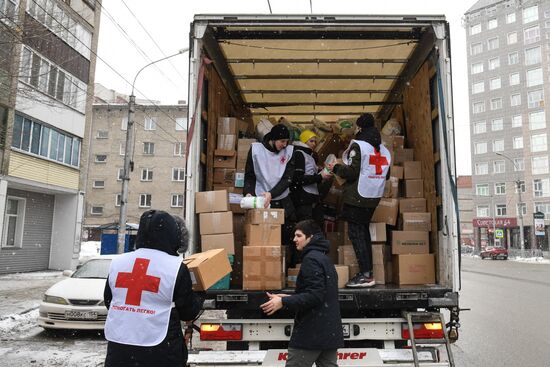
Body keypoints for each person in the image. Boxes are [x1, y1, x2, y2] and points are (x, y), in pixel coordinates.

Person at [103, 210, 203, 367]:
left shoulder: (119, 263)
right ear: (172, 235)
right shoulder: (175, 267)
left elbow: (109, 301)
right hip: (161, 350)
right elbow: (188, 311)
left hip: (120, 349)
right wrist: (200, 294)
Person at [260, 220, 344, 367]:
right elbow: (320, 293)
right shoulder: (324, 258)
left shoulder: (311, 259)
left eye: (299, 236)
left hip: (311, 333)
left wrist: (283, 302)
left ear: (310, 237)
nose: (294, 239)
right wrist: (288, 298)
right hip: (327, 331)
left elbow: (315, 296)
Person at [329, 113, 391, 287]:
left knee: (357, 233)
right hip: (373, 196)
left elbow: (352, 172)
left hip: (358, 196)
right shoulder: (384, 149)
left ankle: (366, 275)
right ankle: (367, 272)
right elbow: (387, 175)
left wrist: (337, 167)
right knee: (362, 232)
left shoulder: (359, 145)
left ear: (360, 128)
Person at [244, 123, 297, 266]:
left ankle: (284, 272)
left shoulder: (290, 152)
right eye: (282, 141)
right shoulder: (256, 150)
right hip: (261, 200)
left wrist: (271, 194)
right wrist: (248, 193)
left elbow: (287, 179)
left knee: (285, 241)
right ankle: (264, 272)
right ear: (272, 139)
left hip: (282, 200)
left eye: (287, 141)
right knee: (263, 240)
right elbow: (250, 175)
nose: (285, 145)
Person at [290, 129, 328, 225]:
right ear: (304, 141)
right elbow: (298, 179)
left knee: (314, 228)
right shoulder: (299, 154)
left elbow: (310, 175)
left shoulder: (309, 155)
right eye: (311, 141)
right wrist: (320, 177)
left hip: (310, 199)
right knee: (307, 229)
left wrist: (323, 173)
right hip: (303, 200)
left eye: (315, 141)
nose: (314, 144)